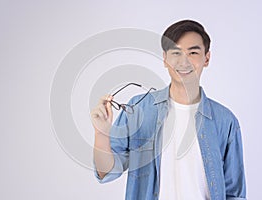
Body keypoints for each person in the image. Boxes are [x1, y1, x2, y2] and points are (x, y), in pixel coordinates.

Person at [91, 20, 246, 200]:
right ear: (165, 58)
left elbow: (235, 193)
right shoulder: (138, 108)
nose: (184, 61)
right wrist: (101, 133)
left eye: (193, 52)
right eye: (176, 53)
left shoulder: (225, 121)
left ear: (207, 58)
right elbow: (106, 172)